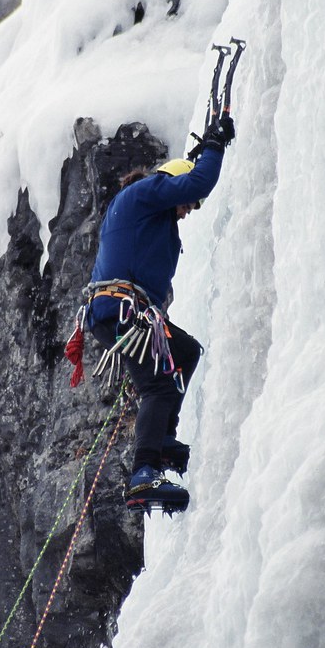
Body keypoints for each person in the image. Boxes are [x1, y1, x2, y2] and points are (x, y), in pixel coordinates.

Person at [84, 115, 235, 513]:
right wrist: (214, 147)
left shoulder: (142, 209)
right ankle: (144, 471)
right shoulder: (146, 193)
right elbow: (197, 181)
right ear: (169, 184)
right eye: (185, 204)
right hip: (123, 309)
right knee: (158, 388)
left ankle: (162, 441)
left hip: (119, 310)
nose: (186, 211)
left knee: (184, 352)